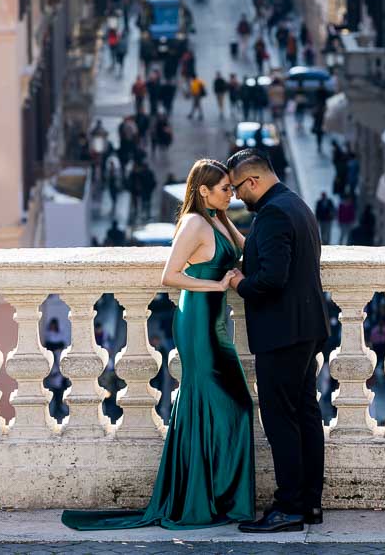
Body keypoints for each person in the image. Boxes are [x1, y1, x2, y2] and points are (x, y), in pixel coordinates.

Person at [62, 159, 253, 530]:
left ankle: (215, 496)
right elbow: (171, 275)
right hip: (197, 321)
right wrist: (217, 285)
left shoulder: (216, 218)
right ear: (203, 191)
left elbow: (245, 249)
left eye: (231, 188)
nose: (233, 193)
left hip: (215, 322)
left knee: (233, 407)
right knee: (225, 405)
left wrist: (230, 220)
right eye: (226, 188)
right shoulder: (194, 223)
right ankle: (200, 501)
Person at [226, 148, 329, 533]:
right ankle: (310, 504)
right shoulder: (296, 204)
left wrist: (239, 281)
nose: (236, 196)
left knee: (282, 419)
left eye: (238, 188)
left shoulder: (272, 214)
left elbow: (271, 279)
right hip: (306, 329)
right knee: (305, 415)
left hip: (283, 334)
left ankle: (288, 507)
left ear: (254, 181)